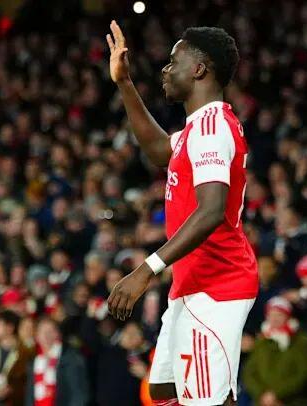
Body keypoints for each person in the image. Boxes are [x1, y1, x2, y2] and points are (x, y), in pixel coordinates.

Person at [105, 21, 258, 406]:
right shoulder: (198, 128)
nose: (165, 69)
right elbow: (159, 150)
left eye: (174, 61)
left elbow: (211, 212)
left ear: (199, 69)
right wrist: (124, 83)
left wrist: (145, 271)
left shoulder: (212, 128)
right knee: (163, 390)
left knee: (204, 400)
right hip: (192, 283)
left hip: (217, 286)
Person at [242, 297, 307, 406]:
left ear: (288, 316)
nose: (275, 319)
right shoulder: (262, 341)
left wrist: (277, 393)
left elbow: (304, 372)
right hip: (263, 402)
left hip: (292, 401)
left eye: (279, 315)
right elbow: (249, 372)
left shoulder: (300, 340)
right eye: (271, 315)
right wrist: (262, 394)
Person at [24, 317, 88, 406]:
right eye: (42, 332)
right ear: (37, 336)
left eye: (50, 331)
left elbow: (78, 394)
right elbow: (30, 396)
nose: (46, 336)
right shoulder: (34, 362)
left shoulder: (71, 358)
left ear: (58, 334)